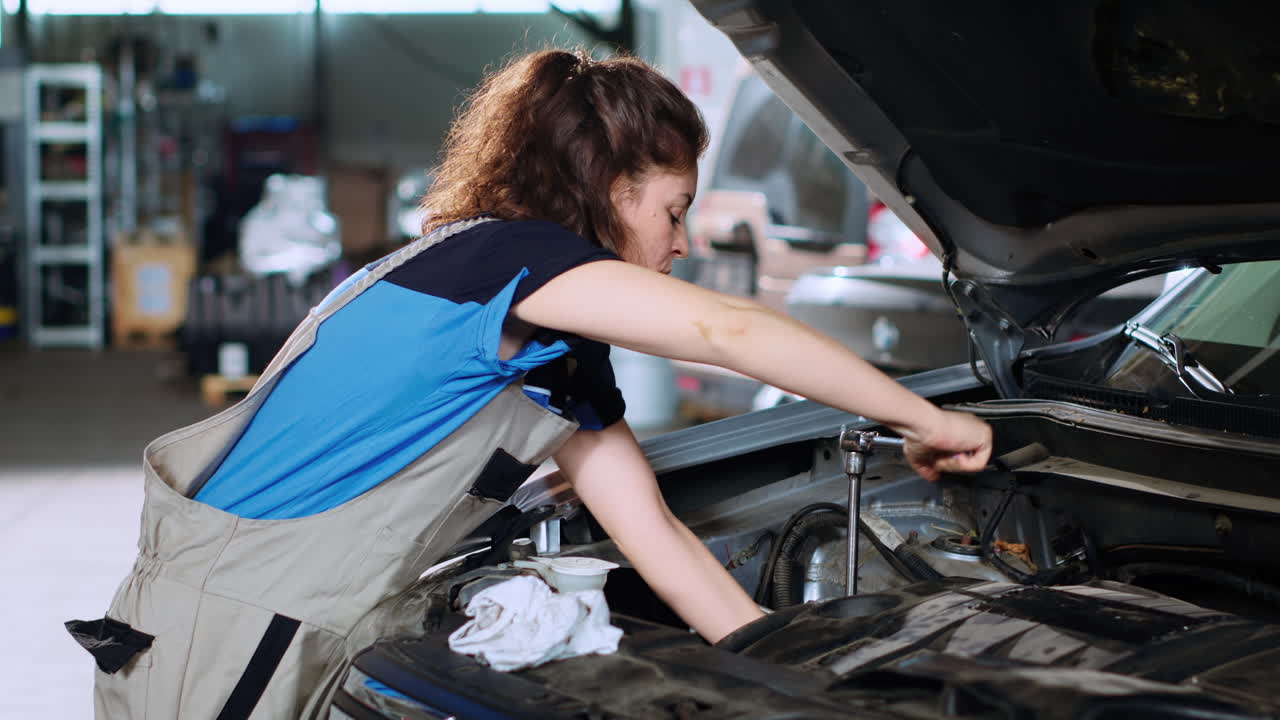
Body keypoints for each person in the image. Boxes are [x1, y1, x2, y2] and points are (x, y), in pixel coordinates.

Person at [72, 49, 991, 718]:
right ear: (606, 185)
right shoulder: (497, 265)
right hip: (225, 633)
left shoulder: (545, 348)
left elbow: (659, 537)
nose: (678, 245)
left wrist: (797, 672)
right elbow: (730, 331)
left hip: (296, 623)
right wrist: (921, 418)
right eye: (672, 212)